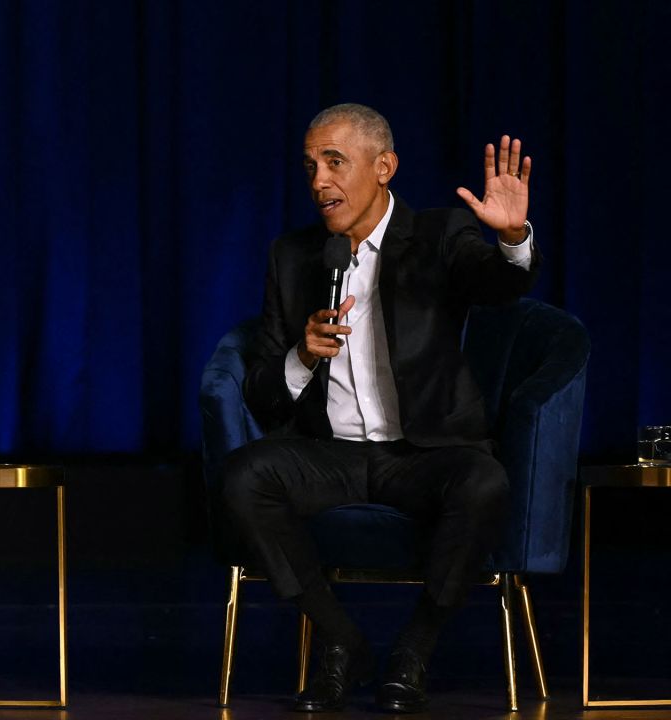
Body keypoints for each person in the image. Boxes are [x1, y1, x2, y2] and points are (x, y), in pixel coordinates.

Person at [221, 103, 537, 714]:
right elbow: (261, 392)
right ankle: (341, 641)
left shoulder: (440, 236)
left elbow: (500, 286)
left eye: (335, 162)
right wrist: (302, 357)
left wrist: (511, 238)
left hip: (422, 454)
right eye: (311, 165)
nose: (319, 181)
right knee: (241, 477)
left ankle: (414, 650)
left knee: (484, 483)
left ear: (384, 166)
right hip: (328, 453)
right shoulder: (292, 256)